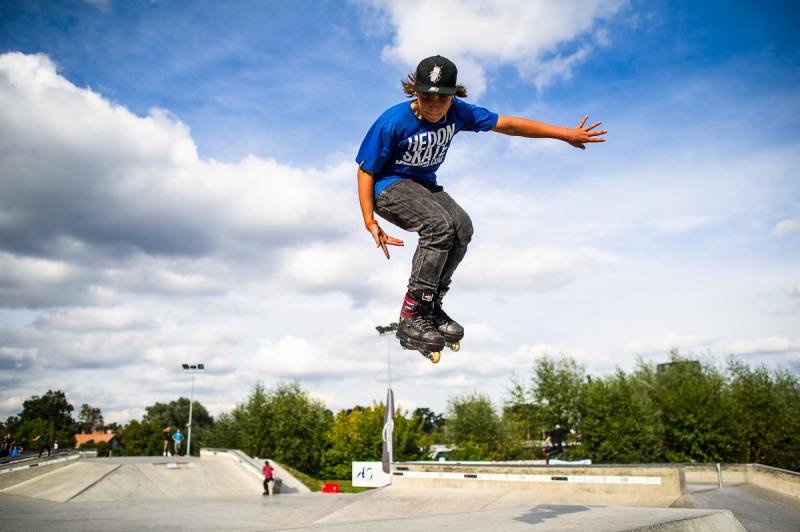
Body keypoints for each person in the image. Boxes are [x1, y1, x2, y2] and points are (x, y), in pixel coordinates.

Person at [356, 56, 606, 361]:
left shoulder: (459, 112)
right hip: (388, 187)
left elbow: (509, 125)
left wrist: (564, 133)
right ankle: (413, 313)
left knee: (462, 227)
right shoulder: (392, 122)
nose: (434, 107)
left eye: (442, 100)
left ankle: (431, 306)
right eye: (426, 98)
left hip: (424, 185)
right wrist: (370, 221)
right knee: (438, 225)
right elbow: (365, 170)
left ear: (454, 96)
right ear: (415, 93)